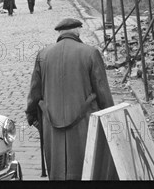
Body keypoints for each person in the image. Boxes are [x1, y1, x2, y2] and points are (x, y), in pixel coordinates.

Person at [25, 18, 114, 180]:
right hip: (85, 122)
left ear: (59, 33)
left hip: (52, 124)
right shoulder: (90, 53)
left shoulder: (43, 54)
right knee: (85, 166)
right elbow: (102, 91)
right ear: (78, 31)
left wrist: (31, 114)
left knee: (57, 168)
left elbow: (34, 91)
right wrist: (111, 117)